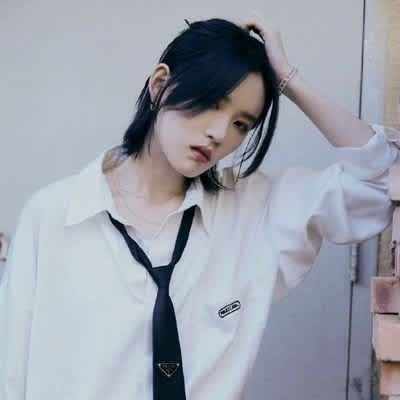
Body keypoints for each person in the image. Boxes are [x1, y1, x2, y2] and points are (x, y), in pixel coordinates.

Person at [1, 13, 399, 400]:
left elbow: (382, 181)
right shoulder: (53, 216)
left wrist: (288, 81)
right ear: (160, 85)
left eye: (241, 124)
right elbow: (11, 373)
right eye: (212, 102)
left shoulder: (254, 212)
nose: (220, 133)